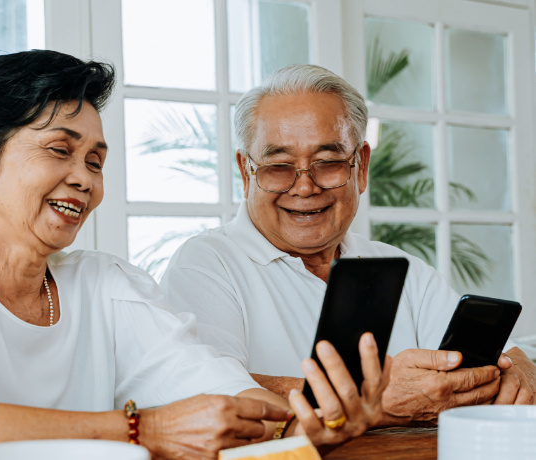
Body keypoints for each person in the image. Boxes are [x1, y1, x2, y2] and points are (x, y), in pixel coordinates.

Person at [0, 51, 391, 460]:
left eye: (96, 160)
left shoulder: (105, 283)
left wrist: (308, 421)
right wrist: (142, 430)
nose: (84, 178)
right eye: (61, 150)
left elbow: (217, 391)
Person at [161, 64, 536, 427]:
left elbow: (491, 361)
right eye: (279, 167)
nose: (305, 187)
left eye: (328, 162)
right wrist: (372, 399)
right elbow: (205, 394)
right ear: (246, 172)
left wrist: (518, 369)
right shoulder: (205, 264)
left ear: (362, 166)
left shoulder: (401, 266)